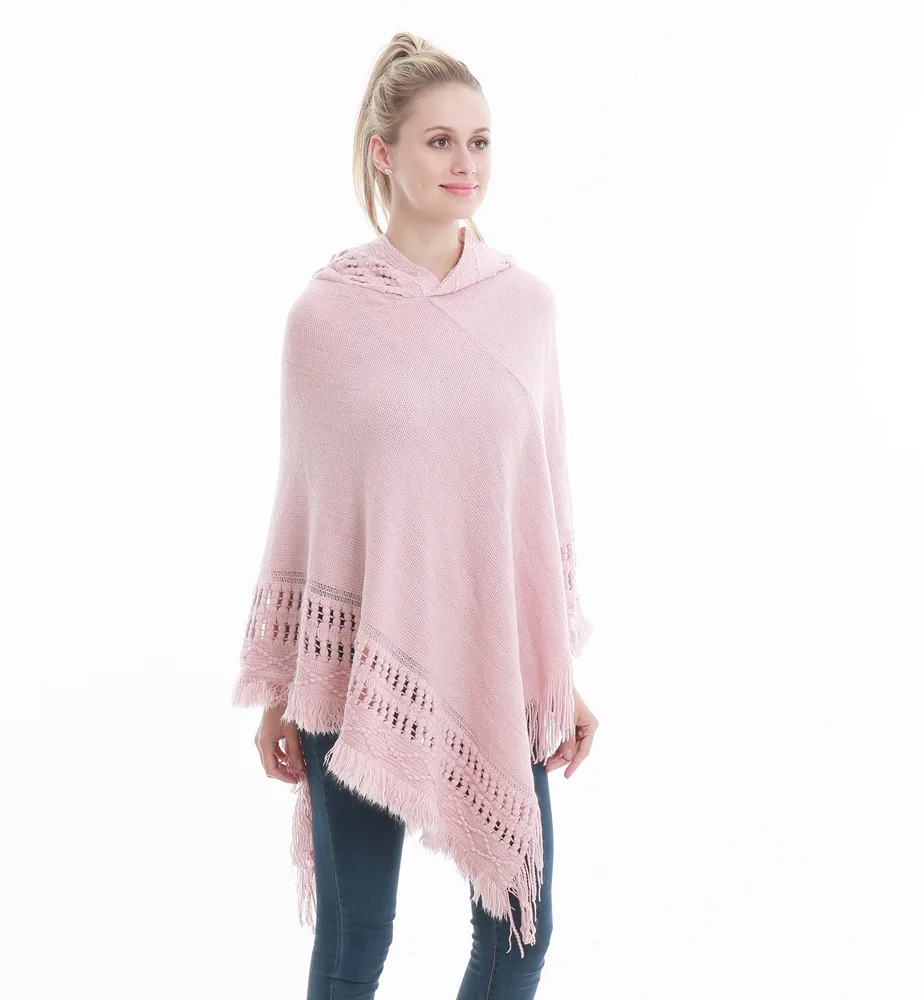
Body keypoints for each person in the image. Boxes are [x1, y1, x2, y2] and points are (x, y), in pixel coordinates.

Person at [232, 31, 599, 1000]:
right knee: (357, 936)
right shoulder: (324, 319)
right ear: (383, 153)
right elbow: (308, 509)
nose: (465, 163)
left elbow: (539, 507)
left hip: (495, 667)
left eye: (480, 142)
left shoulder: (526, 309)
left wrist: (556, 676)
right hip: (357, 670)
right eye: (440, 141)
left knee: (519, 930)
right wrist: (287, 689)